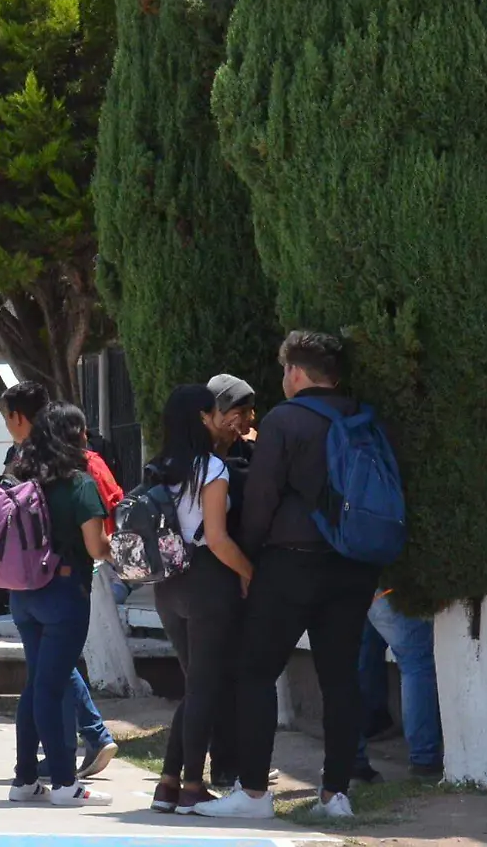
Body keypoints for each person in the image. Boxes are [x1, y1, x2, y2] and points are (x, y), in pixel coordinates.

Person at [197, 330, 383, 822]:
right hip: (353, 564)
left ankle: (255, 792)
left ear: (295, 372)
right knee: (341, 678)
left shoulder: (286, 419)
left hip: (291, 563)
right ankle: (335, 793)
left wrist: (249, 560)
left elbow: (261, 500)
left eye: (284, 371)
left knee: (255, 671)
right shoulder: (361, 416)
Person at [2, 380, 117, 780]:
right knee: (50, 688)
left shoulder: (21, 476)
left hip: (23, 593)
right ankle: (65, 781)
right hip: (65, 592)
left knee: (36, 685)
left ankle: (25, 778)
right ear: (74, 436)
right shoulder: (79, 483)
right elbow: (96, 547)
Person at [147, 385, 249, 815]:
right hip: (207, 580)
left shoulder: (157, 467)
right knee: (205, 686)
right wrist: (249, 572)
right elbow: (219, 538)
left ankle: (168, 783)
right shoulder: (211, 469)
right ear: (202, 418)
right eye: (212, 414)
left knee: (195, 684)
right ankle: (191, 785)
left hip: (166, 584)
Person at [352, 589, 442, 783]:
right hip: (382, 581)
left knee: (356, 664)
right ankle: (425, 759)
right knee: (417, 661)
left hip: (344, 579)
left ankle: (353, 761)